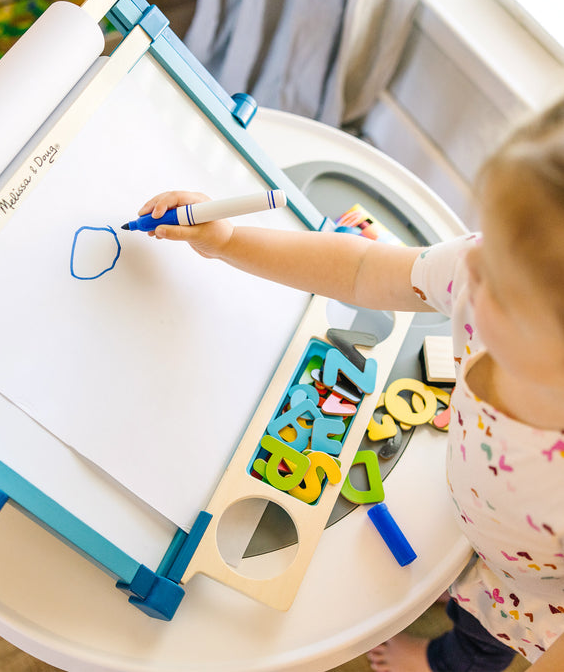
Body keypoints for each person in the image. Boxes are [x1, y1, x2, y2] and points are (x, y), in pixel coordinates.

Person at [137, 98, 564, 671]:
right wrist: (229, 241)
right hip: (479, 517)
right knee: (457, 568)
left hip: (531, 599)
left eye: (502, 287)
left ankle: (438, 661)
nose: (470, 275)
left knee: (475, 642)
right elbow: (362, 268)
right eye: (489, 246)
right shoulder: (480, 269)